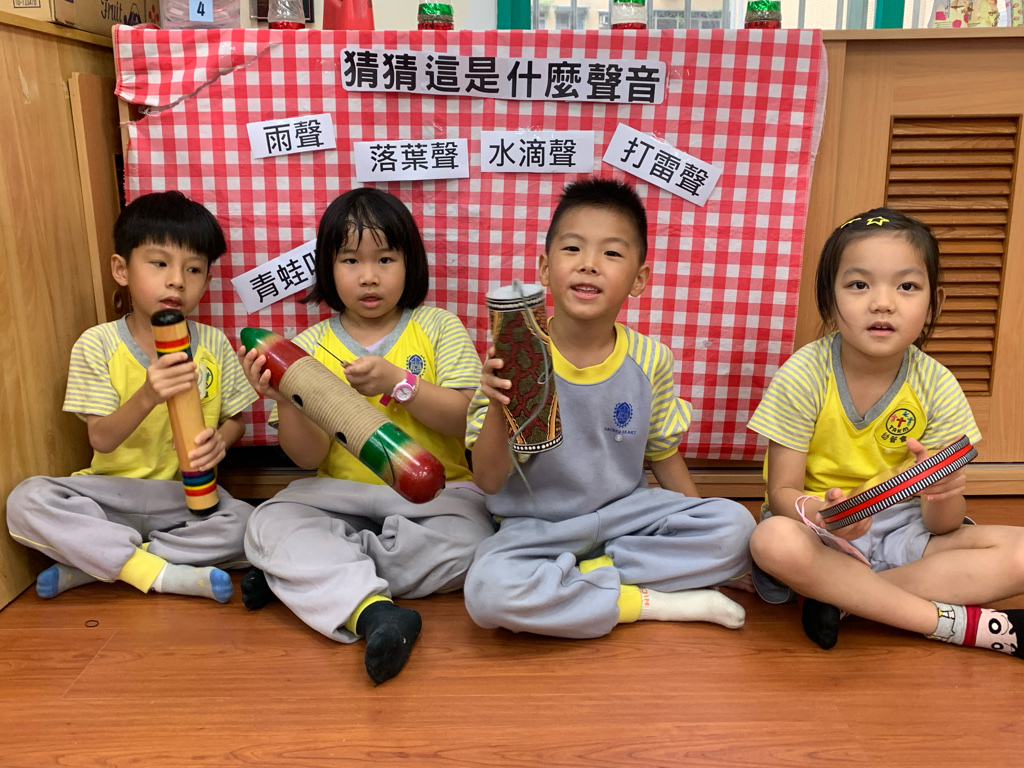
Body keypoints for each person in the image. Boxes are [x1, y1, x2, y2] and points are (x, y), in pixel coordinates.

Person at [462, 177, 755, 639]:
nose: (589, 264)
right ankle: (647, 601)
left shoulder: (651, 359)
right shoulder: (515, 357)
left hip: (626, 518)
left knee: (736, 528)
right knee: (488, 593)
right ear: (544, 269)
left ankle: (578, 583)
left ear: (639, 279)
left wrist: (700, 528)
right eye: (572, 249)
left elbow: (662, 454)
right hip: (537, 528)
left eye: (612, 253)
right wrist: (500, 405)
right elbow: (488, 481)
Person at [239, 188, 493, 685]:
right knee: (264, 523)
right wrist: (283, 398)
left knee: (473, 545)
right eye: (351, 260)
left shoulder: (439, 327)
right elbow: (308, 457)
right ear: (328, 268)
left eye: (385, 259)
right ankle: (371, 609)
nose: (369, 276)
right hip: (337, 494)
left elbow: (465, 419)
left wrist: (399, 383)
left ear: (410, 264)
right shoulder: (308, 346)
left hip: (437, 499)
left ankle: (309, 575)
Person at [747, 207, 1024, 658]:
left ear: (935, 303)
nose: (882, 303)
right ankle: (957, 625)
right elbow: (781, 493)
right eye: (859, 285)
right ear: (828, 299)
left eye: (907, 286)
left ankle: (840, 597)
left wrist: (943, 495)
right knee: (771, 540)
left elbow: (943, 525)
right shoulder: (804, 374)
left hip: (905, 531)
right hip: (820, 532)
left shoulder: (937, 384)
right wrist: (826, 515)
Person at [7, 191, 257, 604]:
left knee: (250, 525)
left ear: (207, 281)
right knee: (26, 501)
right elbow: (101, 439)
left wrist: (222, 441)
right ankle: (162, 573)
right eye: (159, 263)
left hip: (181, 500)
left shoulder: (214, 343)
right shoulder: (98, 343)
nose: (177, 280)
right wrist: (148, 395)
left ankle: (97, 565)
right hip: (108, 495)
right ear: (121, 269)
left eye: (193, 269)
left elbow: (235, 421)